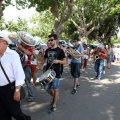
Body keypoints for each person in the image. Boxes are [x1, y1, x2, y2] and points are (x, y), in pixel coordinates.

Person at [0, 32, 31, 120]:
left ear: (4, 42)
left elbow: (19, 74)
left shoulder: (13, 55)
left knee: (15, 113)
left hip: (10, 89)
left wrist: (17, 90)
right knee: (2, 115)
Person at [43, 34, 66, 114]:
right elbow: (45, 59)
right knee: (46, 87)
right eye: (49, 40)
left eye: (51, 40)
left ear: (56, 40)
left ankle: (54, 105)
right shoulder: (48, 50)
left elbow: (65, 62)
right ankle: (55, 97)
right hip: (48, 72)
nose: (50, 41)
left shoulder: (60, 51)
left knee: (56, 89)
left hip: (56, 73)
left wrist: (58, 61)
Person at [17, 32, 35, 102]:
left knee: (28, 83)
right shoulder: (18, 47)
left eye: (23, 41)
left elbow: (29, 53)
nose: (22, 42)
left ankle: (31, 96)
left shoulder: (29, 47)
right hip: (18, 68)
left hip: (26, 67)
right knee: (17, 83)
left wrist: (20, 46)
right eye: (22, 41)